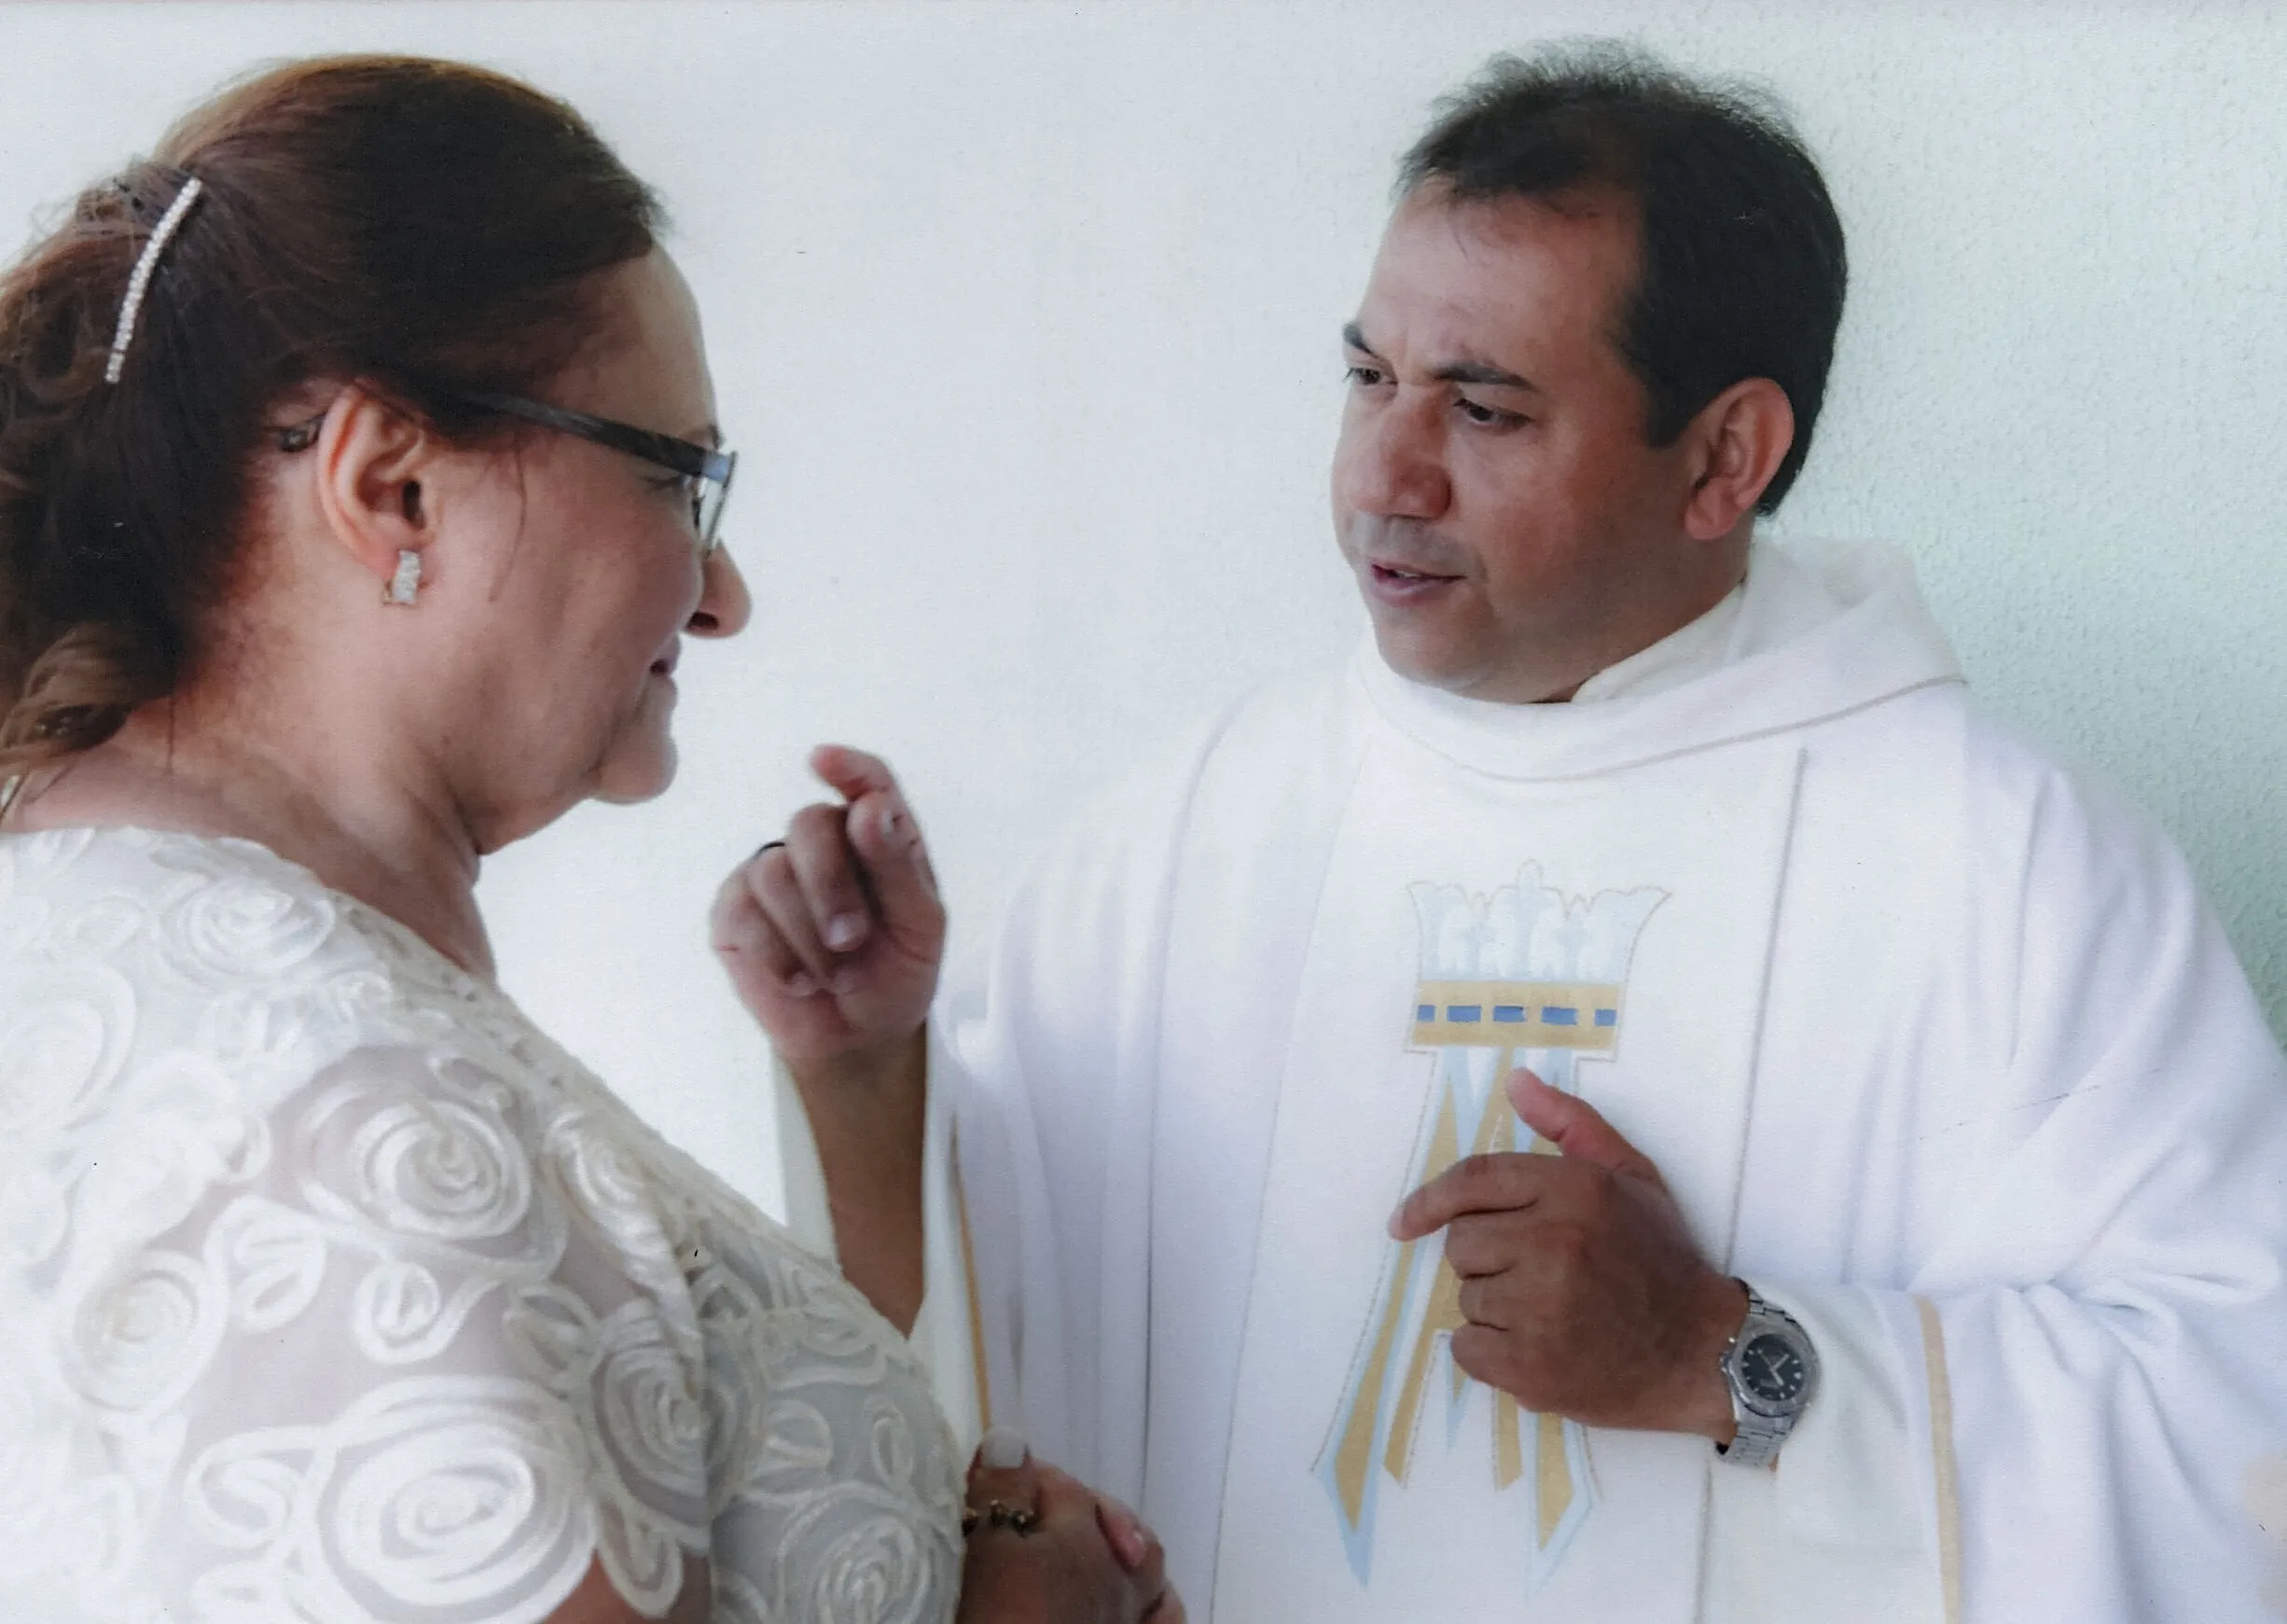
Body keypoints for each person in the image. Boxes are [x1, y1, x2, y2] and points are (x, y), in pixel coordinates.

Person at [717, 42, 2287, 1624]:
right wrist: (865, 1071)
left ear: (1726, 459)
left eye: (1484, 408)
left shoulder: (2006, 876)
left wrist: (1719, 1357)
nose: (1382, 477)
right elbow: (977, 1369)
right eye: (1368, 380)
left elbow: (2236, 1423)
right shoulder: (1201, 834)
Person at [0, 54, 1178, 1624]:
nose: (721, 593)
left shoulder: (109, 941)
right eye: (678, 475)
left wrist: (859, 1089)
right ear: (392, 484)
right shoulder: (363, 1131)